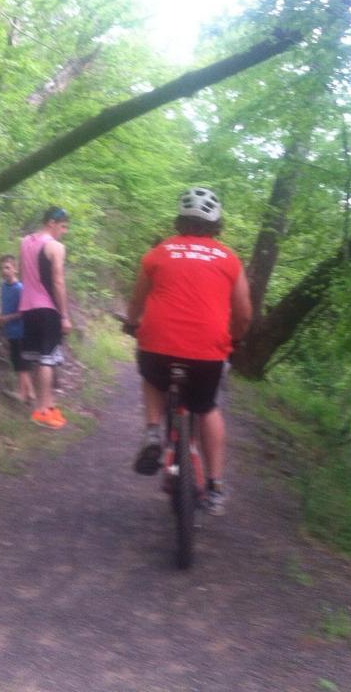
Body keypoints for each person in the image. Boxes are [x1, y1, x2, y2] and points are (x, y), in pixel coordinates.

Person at [125, 187, 252, 516]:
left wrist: (131, 323)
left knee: (151, 374)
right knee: (207, 407)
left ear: (179, 220)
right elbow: (244, 314)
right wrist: (235, 341)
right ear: (216, 224)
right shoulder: (229, 259)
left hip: (159, 344)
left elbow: (137, 301)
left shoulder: (158, 253)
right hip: (207, 352)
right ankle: (215, 486)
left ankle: (153, 432)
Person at [18, 206, 73, 429]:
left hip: (28, 306)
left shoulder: (25, 242)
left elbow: (23, 274)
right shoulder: (55, 247)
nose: (64, 231)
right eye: (63, 226)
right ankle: (41, 411)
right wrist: (64, 315)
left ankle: (48, 407)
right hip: (48, 308)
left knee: (41, 358)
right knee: (47, 359)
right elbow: (58, 281)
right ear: (51, 222)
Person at [0, 255, 35, 406]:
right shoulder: (3, 286)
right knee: (18, 362)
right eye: (2, 268)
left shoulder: (20, 288)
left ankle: (22, 394)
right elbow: (5, 305)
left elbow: (24, 312)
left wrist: (6, 318)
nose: (4, 271)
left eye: (8, 267)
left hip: (21, 332)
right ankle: (30, 393)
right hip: (10, 331)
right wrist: (0, 318)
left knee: (20, 364)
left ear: (15, 269)